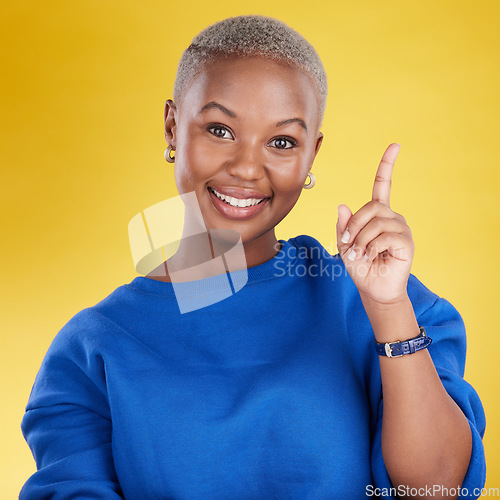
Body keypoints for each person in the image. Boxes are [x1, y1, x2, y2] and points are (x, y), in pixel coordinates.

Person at [20, 15, 486, 499]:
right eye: (220, 129)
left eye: (282, 142)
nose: (246, 167)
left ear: (311, 156)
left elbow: (438, 489)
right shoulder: (90, 351)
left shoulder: (389, 304)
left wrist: (389, 312)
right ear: (172, 126)